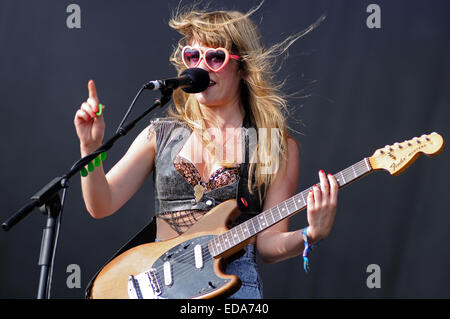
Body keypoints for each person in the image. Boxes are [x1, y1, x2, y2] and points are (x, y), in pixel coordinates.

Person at [74, 5, 338, 299]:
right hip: (159, 286)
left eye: (215, 57)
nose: (201, 66)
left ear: (243, 68)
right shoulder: (159, 134)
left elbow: (269, 246)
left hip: (231, 287)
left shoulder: (273, 146)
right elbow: (101, 204)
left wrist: (311, 234)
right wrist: (91, 148)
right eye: (193, 56)